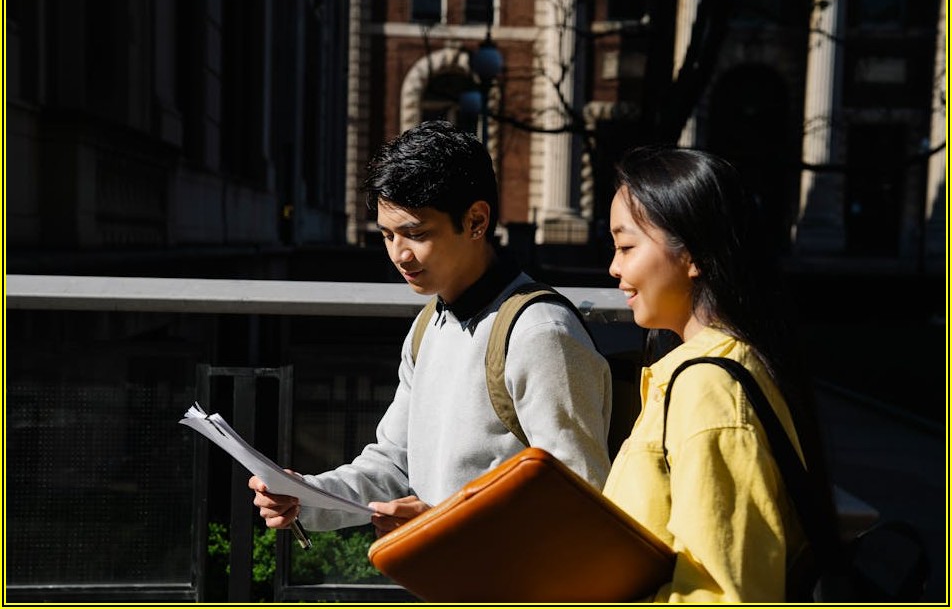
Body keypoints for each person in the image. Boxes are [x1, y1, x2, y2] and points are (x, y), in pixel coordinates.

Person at [250, 120, 612, 538]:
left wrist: (442, 521)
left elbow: (580, 497)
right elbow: (393, 463)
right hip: (440, 569)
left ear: (476, 221)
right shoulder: (429, 324)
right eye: (387, 235)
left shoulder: (540, 332)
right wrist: (305, 495)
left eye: (416, 234)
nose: (399, 254)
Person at [602, 146, 837, 602]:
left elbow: (722, 593)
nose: (614, 266)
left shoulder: (709, 389)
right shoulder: (717, 368)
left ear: (693, 255)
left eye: (627, 246)